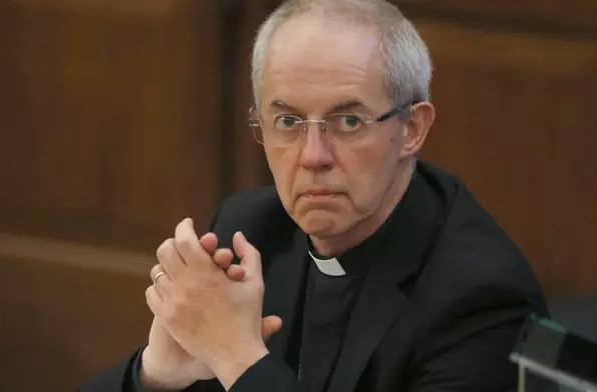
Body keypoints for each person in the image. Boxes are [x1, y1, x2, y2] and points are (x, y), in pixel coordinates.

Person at [79, 0, 548, 391]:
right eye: (287, 122)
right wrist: (154, 375)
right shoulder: (250, 231)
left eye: (348, 122)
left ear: (411, 129)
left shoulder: (482, 302)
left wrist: (238, 359)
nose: (313, 156)